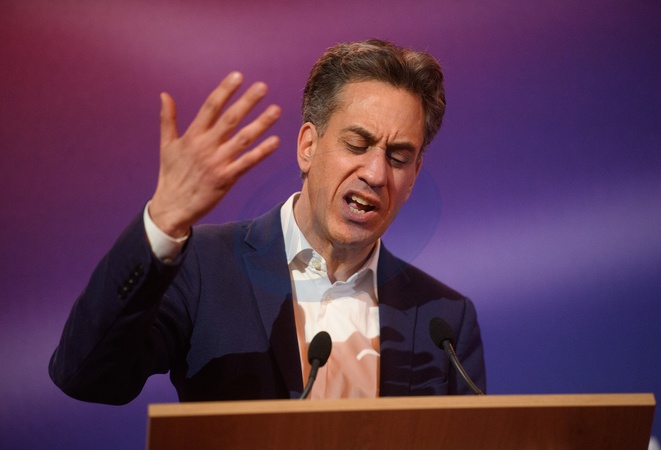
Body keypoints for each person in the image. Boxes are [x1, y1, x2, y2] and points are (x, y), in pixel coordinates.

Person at [49, 39, 486, 405]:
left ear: (413, 177)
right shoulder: (205, 266)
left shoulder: (445, 321)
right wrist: (162, 223)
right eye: (357, 144)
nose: (375, 173)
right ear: (308, 147)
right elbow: (87, 376)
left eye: (398, 158)